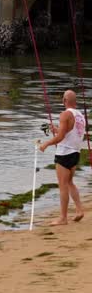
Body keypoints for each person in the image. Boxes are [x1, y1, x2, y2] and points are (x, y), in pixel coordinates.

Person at [39, 90, 86, 225]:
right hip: (76, 153)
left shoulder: (65, 114)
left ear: (64, 100)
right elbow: (69, 133)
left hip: (64, 154)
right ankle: (79, 210)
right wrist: (57, 129)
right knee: (70, 182)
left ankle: (63, 218)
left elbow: (60, 138)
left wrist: (46, 144)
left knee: (63, 186)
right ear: (74, 101)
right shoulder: (80, 116)